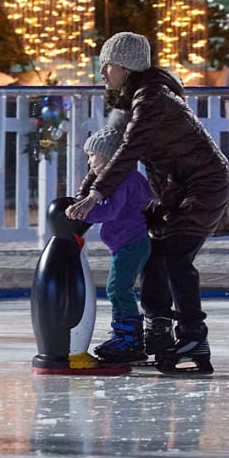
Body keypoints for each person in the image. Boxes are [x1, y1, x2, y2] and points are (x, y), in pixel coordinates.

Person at [68, 32, 229, 375]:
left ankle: (192, 336)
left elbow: (127, 152)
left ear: (126, 66)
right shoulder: (131, 100)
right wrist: (84, 195)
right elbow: (103, 154)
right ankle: (156, 328)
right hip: (175, 191)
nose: (102, 73)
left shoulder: (152, 99)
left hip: (203, 187)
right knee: (155, 256)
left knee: (175, 257)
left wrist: (96, 197)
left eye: (107, 65)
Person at [78, 112, 155, 364]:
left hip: (131, 242)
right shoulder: (127, 178)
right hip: (128, 241)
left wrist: (84, 213)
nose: (90, 162)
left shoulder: (122, 180)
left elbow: (111, 210)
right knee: (117, 288)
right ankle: (121, 333)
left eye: (93, 156)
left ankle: (131, 338)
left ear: (110, 156)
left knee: (118, 288)